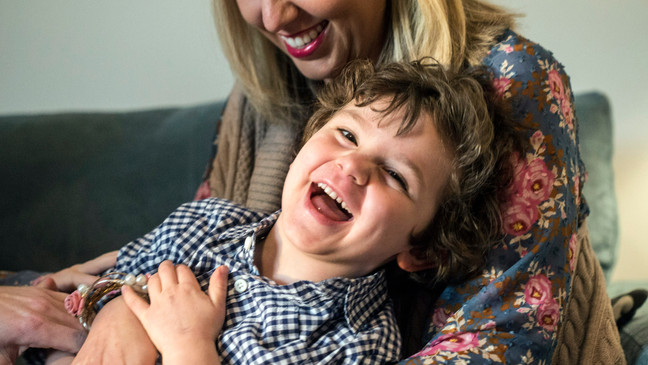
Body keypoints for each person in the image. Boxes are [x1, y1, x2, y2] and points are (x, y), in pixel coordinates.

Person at [197, 0, 621, 363]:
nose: (273, 17)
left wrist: (186, 346)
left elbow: (500, 336)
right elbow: (182, 258)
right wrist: (129, 304)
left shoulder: (512, 78)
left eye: (396, 175)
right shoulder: (263, 91)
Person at [40, 59, 518, 364]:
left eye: (395, 175)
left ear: (422, 246)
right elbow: (86, 298)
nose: (351, 166)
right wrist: (119, 308)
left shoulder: (359, 345)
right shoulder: (204, 224)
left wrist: (190, 347)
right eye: (347, 135)